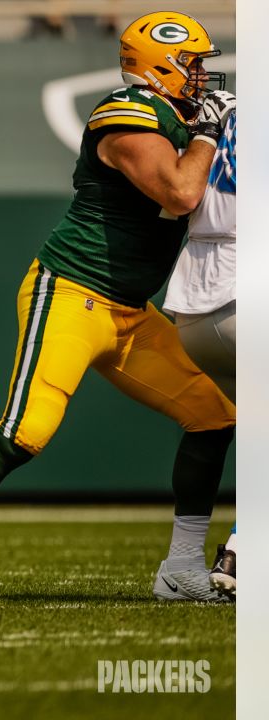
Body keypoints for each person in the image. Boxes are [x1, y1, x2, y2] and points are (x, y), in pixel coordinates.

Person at [0, 11, 237, 605]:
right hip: (72, 291)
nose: (202, 76)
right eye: (193, 63)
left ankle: (181, 565)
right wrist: (207, 134)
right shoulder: (125, 114)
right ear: (159, 64)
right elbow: (180, 193)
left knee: (214, 414)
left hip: (130, 309)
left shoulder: (179, 116)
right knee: (26, 431)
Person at [162, 108, 236, 599]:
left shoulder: (217, 118)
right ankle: (241, 552)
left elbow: (170, 205)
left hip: (193, 304)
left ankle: (186, 562)